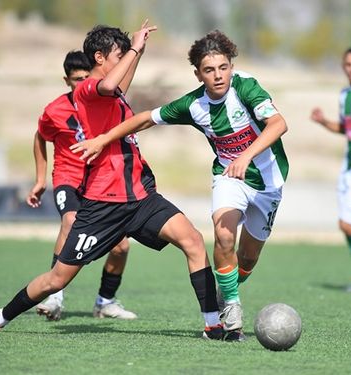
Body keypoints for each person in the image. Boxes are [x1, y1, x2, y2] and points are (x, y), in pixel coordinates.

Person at [0, 21, 225, 341]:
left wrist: (138, 51)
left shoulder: (113, 94)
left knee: (193, 241)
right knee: (56, 280)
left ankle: (213, 324)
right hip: (104, 203)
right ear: (100, 58)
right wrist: (133, 48)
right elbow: (107, 86)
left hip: (141, 198)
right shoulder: (88, 89)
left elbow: (119, 84)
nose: (124, 62)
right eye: (119, 57)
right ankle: (0, 317)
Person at [72, 30, 289, 341]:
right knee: (223, 233)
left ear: (231, 66)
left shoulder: (246, 86)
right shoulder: (193, 105)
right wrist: (104, 138)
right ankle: (231, 306)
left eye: (224, 67)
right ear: (198, 74)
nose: (219, 76)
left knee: (248, 258)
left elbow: (279, 124)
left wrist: (246, 155)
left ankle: (229, 286)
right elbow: (146, 118)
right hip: (229, 176)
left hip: (268, 181)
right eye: (210, 70)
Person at [25, 50, 136, 321]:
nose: (82, 82)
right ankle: (54, 297)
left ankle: (105, 302)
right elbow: (40, 137)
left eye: (87, 76)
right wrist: (40, 180)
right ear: (67, 80)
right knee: (70, 220)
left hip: (100, 181)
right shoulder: (54, 110)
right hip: (68, 177)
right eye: (77, 79)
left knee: (121, 246)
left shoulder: (105, 101)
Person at [310, 46, 351, 292]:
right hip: (349, 167)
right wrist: (324, 121)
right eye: (348, 64)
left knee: (349, 224)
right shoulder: (344, 94)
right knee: (344, 224)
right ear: (343, 66)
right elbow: (346, 129)